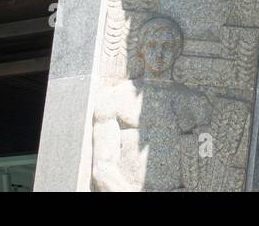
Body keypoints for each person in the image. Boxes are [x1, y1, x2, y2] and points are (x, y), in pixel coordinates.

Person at [91, 16, 213, 191]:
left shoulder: (196, 103)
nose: (159, 54)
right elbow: (103, 168)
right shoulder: (115, 98)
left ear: (178, 50)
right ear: (141, 48)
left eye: (167, 47)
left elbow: (208, 160)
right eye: (152, 45)